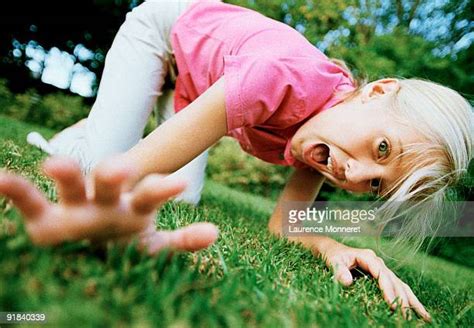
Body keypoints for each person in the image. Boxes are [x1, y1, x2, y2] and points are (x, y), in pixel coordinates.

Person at [0, 0, 472, 322]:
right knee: (99, 174)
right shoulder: (279, 77)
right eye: (383, 149)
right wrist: (105, 206)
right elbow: (122, 178)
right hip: (164, 31)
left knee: (181, 195)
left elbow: (284, 224)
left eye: (376, 187)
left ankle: (91, 132)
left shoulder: (334, 140)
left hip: (196, 86)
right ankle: (76, 142)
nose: (354, 174)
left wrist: (337, 247)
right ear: (378, 91)